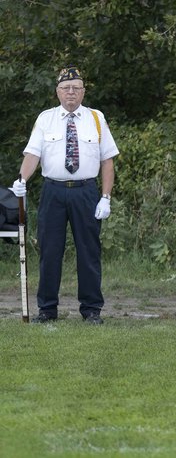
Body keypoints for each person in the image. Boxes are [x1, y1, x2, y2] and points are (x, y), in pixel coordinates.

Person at [10, 66, 119, 324]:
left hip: (86, 192)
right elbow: (32, 154)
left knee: (89, 252)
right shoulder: (45, 118)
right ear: (58, 92)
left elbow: (108, 161)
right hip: (53, 192)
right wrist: (22, 179)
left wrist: (105, 197)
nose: (71, 92)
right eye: (66, 88)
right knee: (50, 252)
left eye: (76, 88)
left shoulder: (96, 118)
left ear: (83, 92)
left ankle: (91, 310)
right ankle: (47, 309)